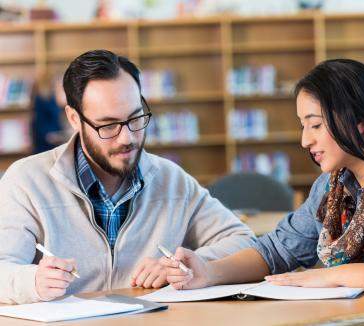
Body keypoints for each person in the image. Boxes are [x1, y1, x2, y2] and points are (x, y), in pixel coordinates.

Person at [0, 49, 256, 304]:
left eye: (135, 118)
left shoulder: (172, 180)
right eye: (108, 125)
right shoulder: (26, 182)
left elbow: (245, 243)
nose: (128, 138)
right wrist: (32, 282)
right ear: (74, 118)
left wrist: (185, 264)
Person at [162, 58, 364, 293]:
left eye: (315, 125)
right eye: (302, 126)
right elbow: (277, 251)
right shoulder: (332, 187)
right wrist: (208, 272)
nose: (305, 140)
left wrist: (330, 275)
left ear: (359, 119)